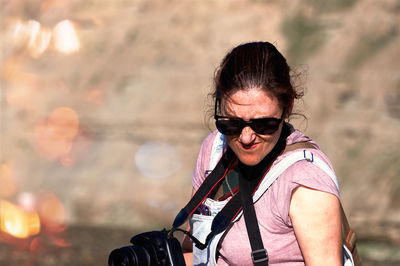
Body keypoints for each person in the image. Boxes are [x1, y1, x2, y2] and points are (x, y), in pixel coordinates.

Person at [181, 42, 342, 265]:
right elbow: (191, 252)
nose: (246, 138)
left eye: (264, 124)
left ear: (287, 107)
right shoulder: (214, 151)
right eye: (232, 124)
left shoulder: (304, 181)